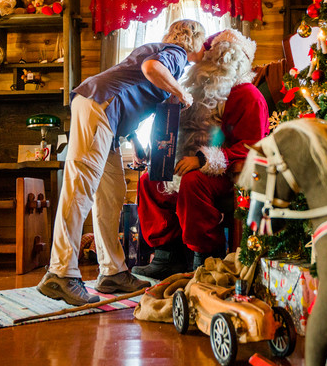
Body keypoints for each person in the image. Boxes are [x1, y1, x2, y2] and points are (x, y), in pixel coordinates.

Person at [37, 19, 207, 306]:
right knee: (80, 188)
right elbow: (150, 70)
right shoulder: (175, 53)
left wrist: (136, 143)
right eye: (203, 43)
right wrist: (181, 92)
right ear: (192, 39)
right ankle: (61, 272)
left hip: (108, 119)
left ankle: (112, 271)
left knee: (111, 193)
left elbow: (133, 94)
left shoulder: (163, 51)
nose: (204, 49)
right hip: (98, 107)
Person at [132, 29, 270, 280]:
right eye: (214, 56)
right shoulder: (192, 94)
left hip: (230, 174)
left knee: (192, 182)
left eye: (226, 56)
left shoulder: (248, 95)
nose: (219, 62)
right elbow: (174, 131)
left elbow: (253, 145)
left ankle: (205, 256)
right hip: (187, 163)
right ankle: (167, 255)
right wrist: (158, 155)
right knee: (150, 180)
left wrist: (204, 160)